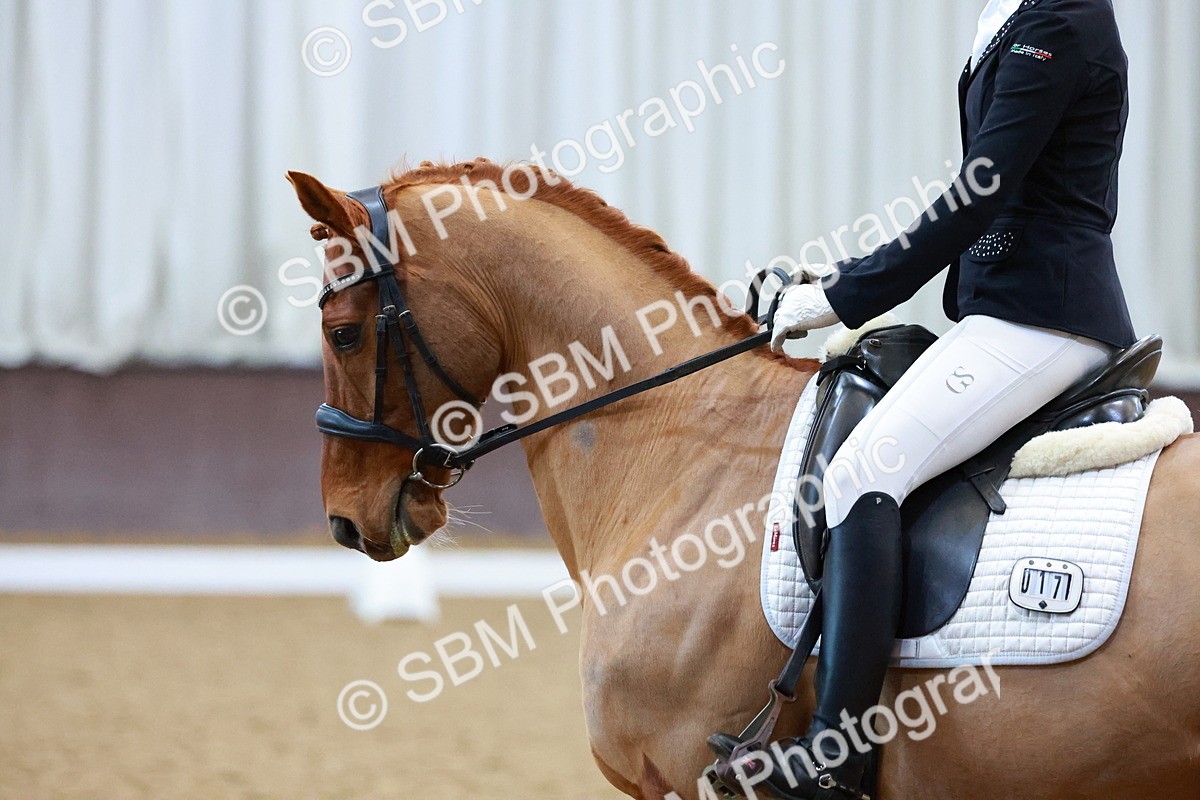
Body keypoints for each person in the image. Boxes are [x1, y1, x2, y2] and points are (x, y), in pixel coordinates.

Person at [711, 1, 1137, 797]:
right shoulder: (1017, 14)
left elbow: (983, 189)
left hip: (1043, 313)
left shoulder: (1064, 20)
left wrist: (847, 294)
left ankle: (837, 760)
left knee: (863, 470)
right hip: (1005, 307)